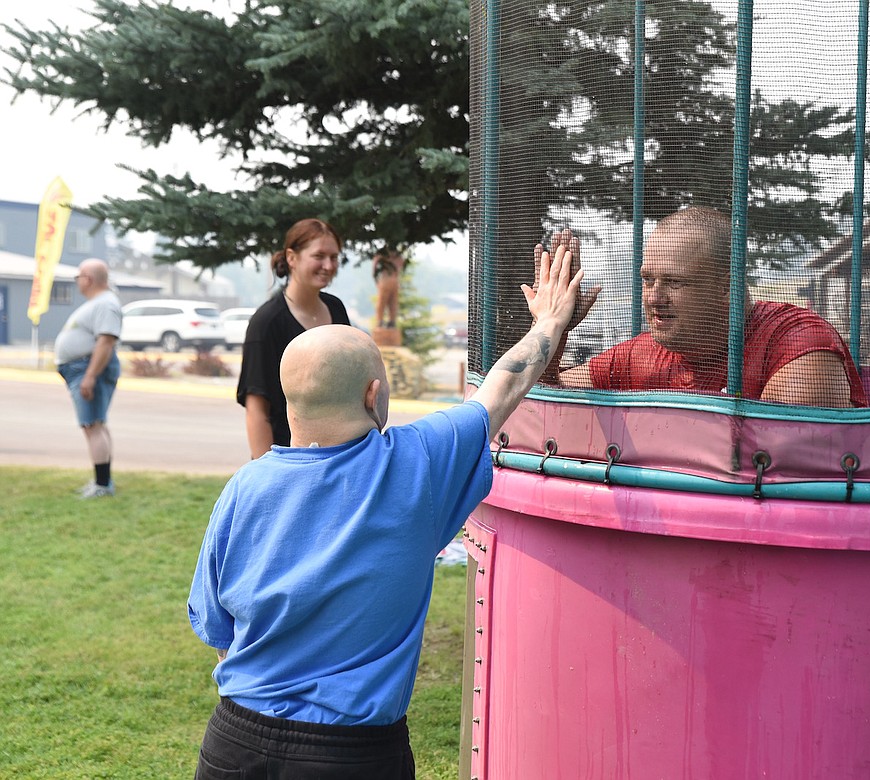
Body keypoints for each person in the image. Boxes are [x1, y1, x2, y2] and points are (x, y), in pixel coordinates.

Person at [187, 242, 585, 778]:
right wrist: (550, 323)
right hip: (350, 755)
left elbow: (218, 633)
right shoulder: (415, 465)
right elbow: (503, 387)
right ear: (374, 395)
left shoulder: (241, 488)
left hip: (234, 740)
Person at [538, 207, 867, 407]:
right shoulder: (638, 356)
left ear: (726, 286)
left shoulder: (795, 341)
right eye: (648, 279)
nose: (653, 298)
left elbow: (782, 462)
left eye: (674, 282)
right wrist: (554, 328)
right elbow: (545, 402)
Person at [238, 218, 351, 459]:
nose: (328, 265)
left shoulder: (337, 309)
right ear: (291, 258)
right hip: (291, 459)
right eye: (319, 256)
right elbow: (257, 410)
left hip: (341, 455)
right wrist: (267, 474)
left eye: (334, 257)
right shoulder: (267, 323)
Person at [54, 259, 122, 498]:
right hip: (82, 369)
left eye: (78, 277)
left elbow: (106, 341)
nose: (77, 282)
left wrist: (90, 376)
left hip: (88, 369)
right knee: (95, 424)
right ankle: (102, 481)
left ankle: (102, 485)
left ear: (88, 278)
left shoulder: (106, 303)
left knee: (93, 425)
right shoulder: (99, 303)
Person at [373, 249, 407, 328]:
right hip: (394, 280)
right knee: (392, 302)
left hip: (386, 280)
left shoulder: (382, 255)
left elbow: (374, 265)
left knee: (383, 302)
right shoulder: (398, 256)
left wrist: (376, 280)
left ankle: (381, 321)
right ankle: (390, 321)